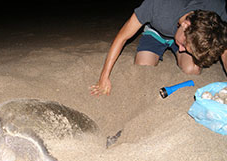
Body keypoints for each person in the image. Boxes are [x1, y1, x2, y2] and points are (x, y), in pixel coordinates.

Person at [90, 0, 227, 96]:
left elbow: (224, 47)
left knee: (192, 70)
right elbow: (122, 37)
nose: (181, 49)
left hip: (182, 36)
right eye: (184, 46)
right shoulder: (158, 5)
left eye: (186, 48)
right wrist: (104, 77)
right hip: (157, 30)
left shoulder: (217, 8)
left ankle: (185, 47)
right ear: (185, 25)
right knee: (143, 67)